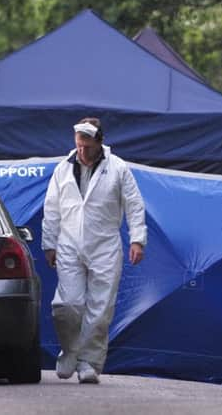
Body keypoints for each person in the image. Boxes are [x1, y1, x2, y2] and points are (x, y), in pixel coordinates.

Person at [41, 117, 147, 384]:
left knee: (100, 308)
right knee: (66, 305)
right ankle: (70, 351)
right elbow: (52, 208)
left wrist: (137, 239)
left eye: (87, 146)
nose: (82, 152)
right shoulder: (63, 169)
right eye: (79, 146)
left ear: (100, 142)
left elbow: (134, 205)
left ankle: (89, 363)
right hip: (68, 243)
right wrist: (49, 243)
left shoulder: (118, 168)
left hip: (105, 245)